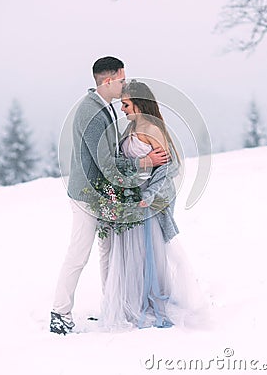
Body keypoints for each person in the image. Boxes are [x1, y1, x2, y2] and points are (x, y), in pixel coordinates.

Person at [50, 57, 169, 335]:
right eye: (122, 79)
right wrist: (144, 163)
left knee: (107, 252)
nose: (124, 84)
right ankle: (59, 312)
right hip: (86, 195)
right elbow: (106, 162)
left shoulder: (102, 108)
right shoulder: (91, 112)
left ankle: (112, 308)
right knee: (78, 253)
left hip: (101, 195)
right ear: (108, 81)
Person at [99, 80, 207, 330]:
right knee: (133, 254)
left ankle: (152, 301)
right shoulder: (133, 127)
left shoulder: (152, 128)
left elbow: (170, 166)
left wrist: (148, 193)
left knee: (148, 252)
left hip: (146, 201)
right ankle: (135, 300)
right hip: (131, 199)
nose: (123, 109)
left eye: (126, 104)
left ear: (138, 103)